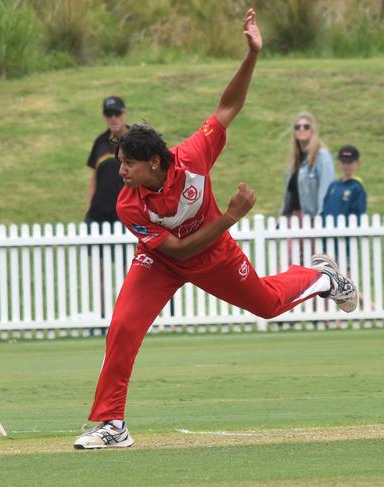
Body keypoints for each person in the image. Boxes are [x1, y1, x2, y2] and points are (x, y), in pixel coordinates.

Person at [73, 9, 358, 450]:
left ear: (153, 162)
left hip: (215, 255)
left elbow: (229, 105)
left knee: (266, 304)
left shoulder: (192, 155)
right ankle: (112, 425)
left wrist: (252, 53)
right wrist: (229, 216)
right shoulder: (128, 201)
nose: (121, 170)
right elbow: (178, 250)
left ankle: (323, 277)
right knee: (123, 326)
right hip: (163, 260)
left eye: (128, 163)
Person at [84, 95, 129, 227]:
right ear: (104, 117)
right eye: (109, 114)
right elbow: (94, 177)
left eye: (117, 113)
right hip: (98, 216)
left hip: (126, 215)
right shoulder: (100, 142)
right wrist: (88, 207)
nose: (113, 118)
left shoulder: (137, 139)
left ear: (125, 114)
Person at [280, 112, 335, 219]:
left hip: (312, 219)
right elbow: (289, 194)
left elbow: (326, 189)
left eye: (306, 126)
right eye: (297, 127)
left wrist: (321, 217)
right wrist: (282, 215)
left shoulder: (322, 156)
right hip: (293, 219)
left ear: (312, 130)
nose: (301, 129)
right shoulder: (294, 161)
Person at [322, 145, 367, 223]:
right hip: (328, 232)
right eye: (343, 162)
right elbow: (325, 210)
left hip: (346, 232)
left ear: (357, 163)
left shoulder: (357, 188)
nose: (346, 166)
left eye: (350, 162)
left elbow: (358, 215)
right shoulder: (333, 186)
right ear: (338, 163)